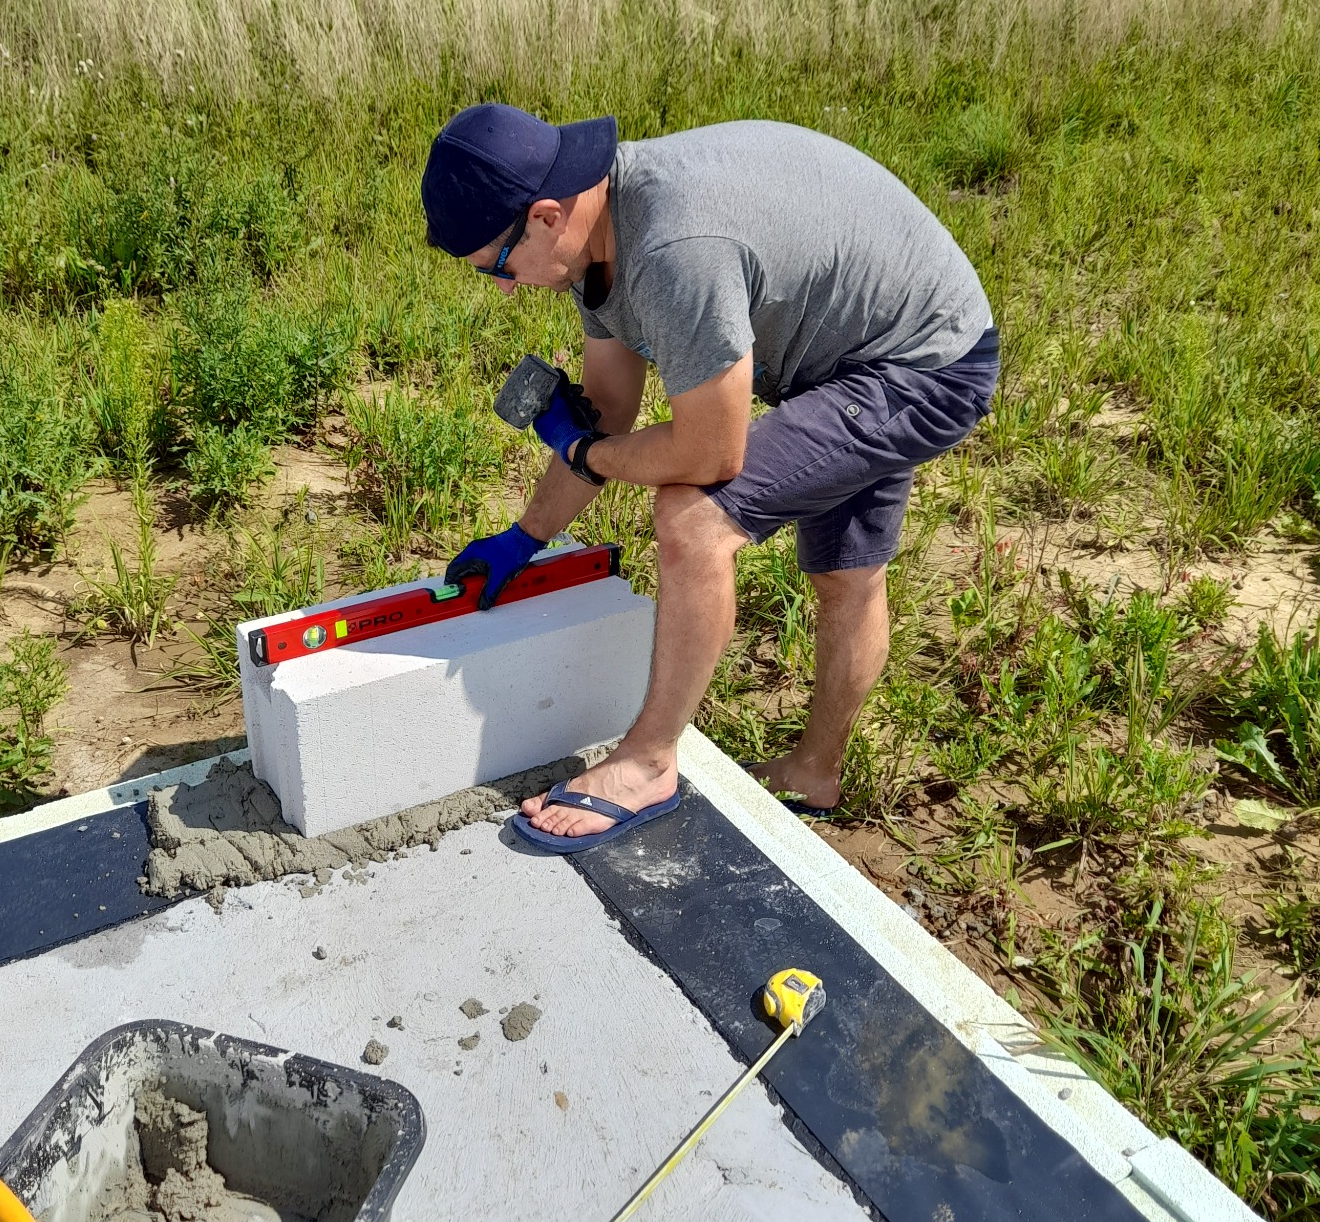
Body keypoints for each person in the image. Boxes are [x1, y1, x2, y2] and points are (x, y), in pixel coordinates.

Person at [421, 104, 998, 850]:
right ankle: (815, 774)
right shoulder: (597, 235)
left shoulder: (671, 250)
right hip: (871, 336)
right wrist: (524, 537)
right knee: (846, 573)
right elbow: (609, 409)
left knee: (694, 518)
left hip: (926, 363)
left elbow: (710, 454)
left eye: (498, 265)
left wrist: (585, 454)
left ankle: (647, 763)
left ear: (545, 216)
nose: (504, 287)